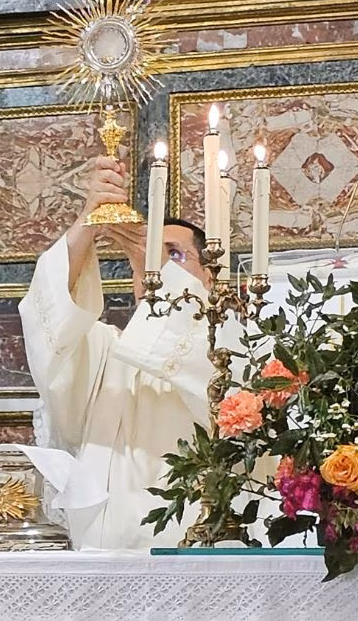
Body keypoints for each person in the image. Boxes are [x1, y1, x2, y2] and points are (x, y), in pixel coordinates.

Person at [19, 155, 220, 549]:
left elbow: (220, 393)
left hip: (199, 561)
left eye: (173, 255)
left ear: (210, 276)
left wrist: (160, 267)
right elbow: (51, 332)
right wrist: (86, 225)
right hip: (101, 564)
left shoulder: (236, 346)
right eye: (144, 256)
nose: (154, 268)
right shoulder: (107, 351)